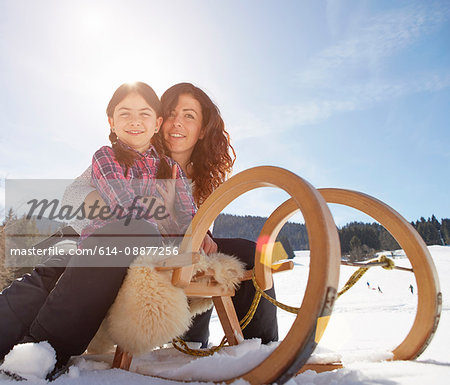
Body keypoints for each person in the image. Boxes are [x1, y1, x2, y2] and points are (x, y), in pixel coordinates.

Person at [0, 82, 200, 380]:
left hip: (142, 247)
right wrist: (161, 209)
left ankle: (41, 348)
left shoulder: (171, 169)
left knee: (138, 232)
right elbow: (123, 206)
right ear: (111, 121)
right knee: (48, 275)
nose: (135, 121)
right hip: (99, 243)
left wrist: (189, 228)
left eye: (144, 114)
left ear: (157, 123)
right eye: (125, 113)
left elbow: (188, 220)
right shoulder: (107, 156)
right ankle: (38, 350)